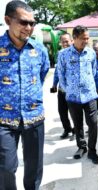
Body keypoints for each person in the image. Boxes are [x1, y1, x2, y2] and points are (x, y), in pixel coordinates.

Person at [0, 1, 50, 189]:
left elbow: (42, 74)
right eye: (23, 22)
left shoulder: (39, 50)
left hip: (34, 116)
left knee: (34, 168)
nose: (28, 28)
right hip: (4, 120)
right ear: (8, 20)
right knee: (5, 168)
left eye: (32, 23)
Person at [57, 25, 98, 163]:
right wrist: (68, 89)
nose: (86, 41)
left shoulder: (91, 53)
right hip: (72, 97)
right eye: (83, 38)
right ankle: (82, 147)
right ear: (74, 38)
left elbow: (93, 71)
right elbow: (61, 74)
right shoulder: (63, 54)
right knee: (77, 124)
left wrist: (89, 85)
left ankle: (92, 150)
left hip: (90, 95)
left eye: (87, 38)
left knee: (93, 123)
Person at [51, 33, 74, 139]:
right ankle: (67, 129)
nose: (65, 43)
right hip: (62, 88)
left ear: (72, 41)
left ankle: (77, 130)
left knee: (75, 111)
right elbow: (57, 71)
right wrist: (54, 84)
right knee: (62, 111)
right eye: (63, 41)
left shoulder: (76, 52)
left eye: (67, 41)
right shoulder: (60, 54)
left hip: (73, 89)